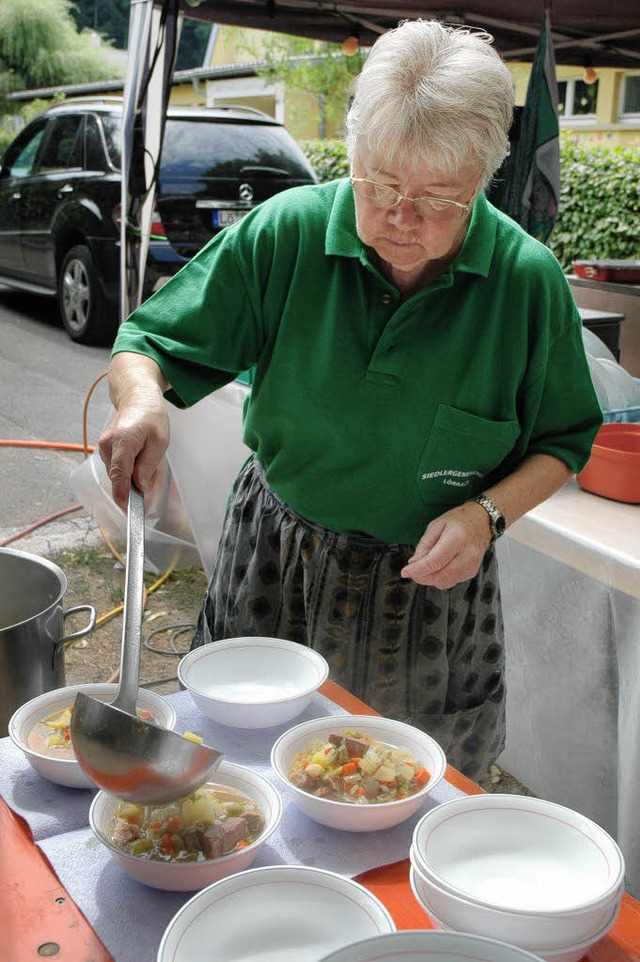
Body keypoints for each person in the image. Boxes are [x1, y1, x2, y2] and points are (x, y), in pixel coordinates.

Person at [99, 19, 602, 778]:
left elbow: (563, 440)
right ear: (353, 148)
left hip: (430, 591)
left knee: (410, 791)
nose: (401, 220)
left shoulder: (526, 283)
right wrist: (139, 403)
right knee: (242, 769)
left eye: (437, 199)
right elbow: (148, 345)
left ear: (484, 179)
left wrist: (486, 514)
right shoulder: (286, 235)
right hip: (276, 556)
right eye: (380, 186)